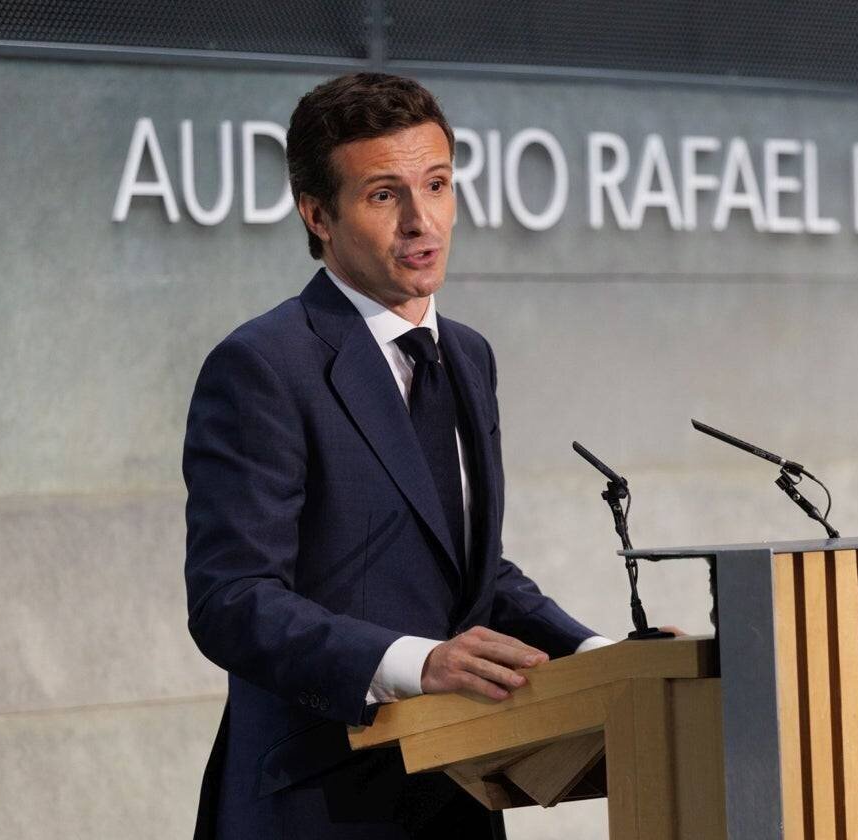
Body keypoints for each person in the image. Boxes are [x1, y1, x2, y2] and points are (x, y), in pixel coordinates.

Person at [182, 73, 610, 840]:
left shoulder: (469, 356)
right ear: (318, 214)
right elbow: (233, 602)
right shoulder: (263, 365)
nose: (423, 221)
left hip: (458, 795)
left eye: (437, 185)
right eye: (384, 195)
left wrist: (601, 655)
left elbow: (472, 575)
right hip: (316, 805)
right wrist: (419, 662)